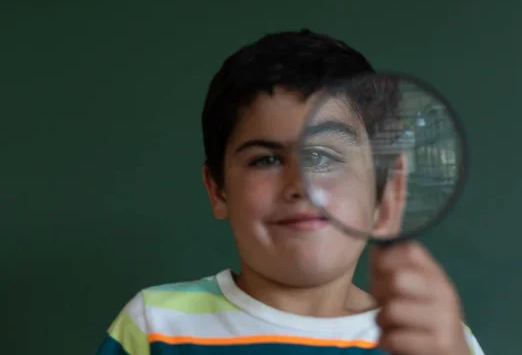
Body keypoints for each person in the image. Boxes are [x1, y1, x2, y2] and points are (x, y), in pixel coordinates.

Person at [96, 29, 485, 355]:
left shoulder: (437, 341)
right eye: (266, 160)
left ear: (386, 191)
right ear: (217, 189)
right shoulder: (154, 327)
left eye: (324, 157)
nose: (300, 185)